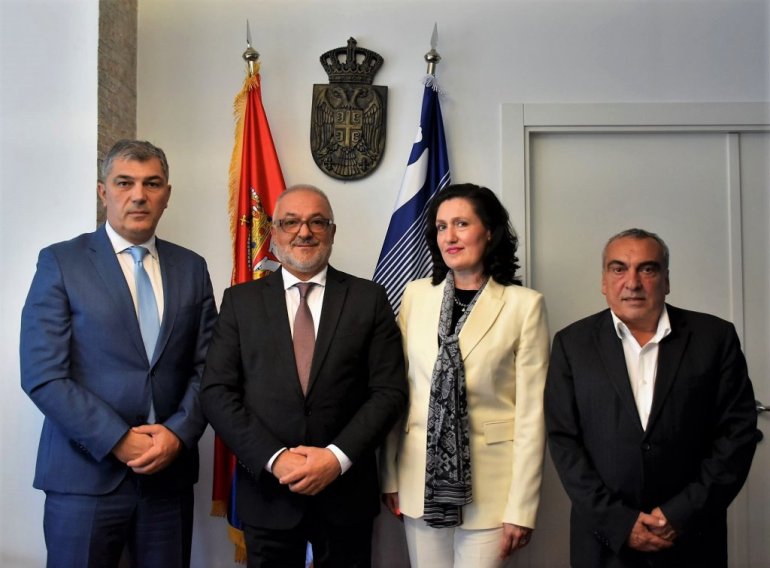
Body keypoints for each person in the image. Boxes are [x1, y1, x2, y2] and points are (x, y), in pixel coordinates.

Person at [20, 139, 217, 567]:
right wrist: (117, 440)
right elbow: (42, 373)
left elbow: (209, 368)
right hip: (83, 478)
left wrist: (177, 434)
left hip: (168, 479)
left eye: (152, 184)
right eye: (124, 182)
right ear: (103, 191)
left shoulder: (192, 268)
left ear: (167, 194)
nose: (139, 195)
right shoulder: (61, 262)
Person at [200, 185, 407, 568]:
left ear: (332, 231)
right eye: (290, 222)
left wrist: (336, 458)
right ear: (274, 232)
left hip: (345, 495)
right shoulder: (240, 302)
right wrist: (275, 459)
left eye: (317, 222)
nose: (304, 232)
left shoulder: (369, 299)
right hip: (269, 493)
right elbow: (217, 392)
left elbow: (388, 392)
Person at [544, 228, 758, 568]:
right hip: (604, 543)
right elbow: (564, 440)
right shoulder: (571, 344)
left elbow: (738, 434)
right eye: (619, 269)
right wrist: (619, 522)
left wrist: (679, 514)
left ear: (666, 280)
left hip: (692, 538)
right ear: (603, 281)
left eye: (647, 269)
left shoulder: (714, 338)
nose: (632, 282)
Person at [380, 183, 551, 568]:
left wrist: (522, 507)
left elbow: (531, 417)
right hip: (418, 484)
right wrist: (389, 475)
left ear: (489, 232)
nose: (450, 237)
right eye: (441, 227)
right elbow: (398, 391)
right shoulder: (415, 296)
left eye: (461, 224)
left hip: (493, 493)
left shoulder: (525, 306)